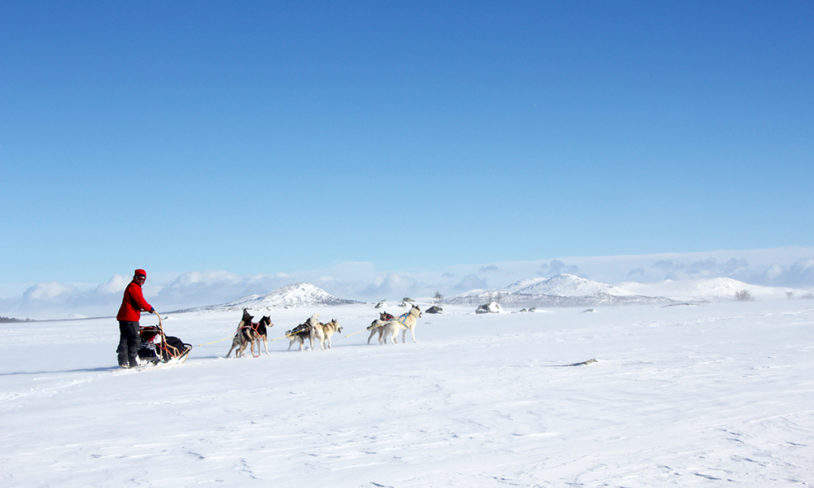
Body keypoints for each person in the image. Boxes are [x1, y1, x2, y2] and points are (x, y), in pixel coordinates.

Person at [116, 268, 155, 368]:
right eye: (139, 278)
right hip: (130, 318)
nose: (141, 281)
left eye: (143, 279)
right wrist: (150, 308)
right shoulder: (134, 287)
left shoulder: (133, 286)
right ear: (135, 277)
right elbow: (140, 301)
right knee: (134, 339)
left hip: (125, 317)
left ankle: (123, 361)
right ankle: (132, 361)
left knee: (125, 339)